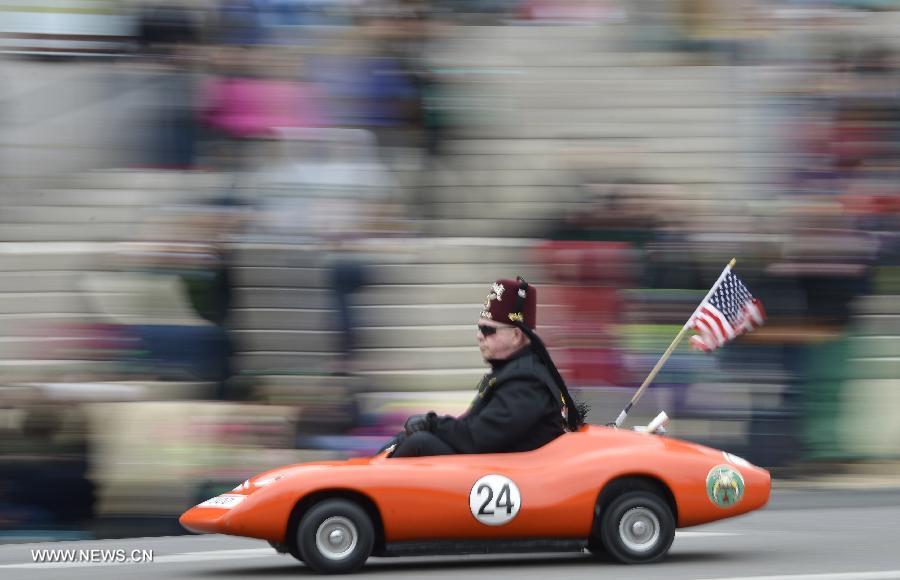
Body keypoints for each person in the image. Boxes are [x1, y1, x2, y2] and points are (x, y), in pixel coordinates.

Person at [387, 277, 585, 457]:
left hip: (521, 479)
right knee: (409, 438)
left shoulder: (526, 382)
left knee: (421, 443)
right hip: (504, 469)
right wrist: (431, 426)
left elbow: (479, 438)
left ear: (516, 336)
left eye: (488, 330)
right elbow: (474, 429)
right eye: (479, 328)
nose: (479, 336)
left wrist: (432, 424)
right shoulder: (515, 370)